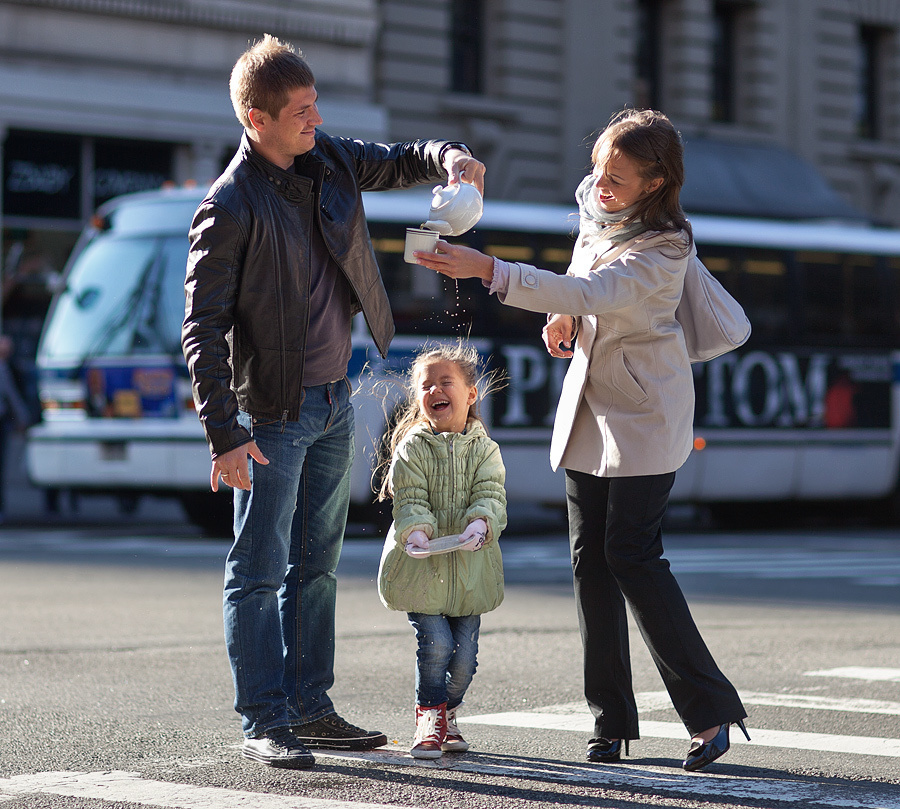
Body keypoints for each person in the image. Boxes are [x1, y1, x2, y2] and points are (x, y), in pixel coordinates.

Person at [412, 109, 749, 772]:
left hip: (645, 415)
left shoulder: (666, 247)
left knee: (631, 554)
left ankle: (710, 709)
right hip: (593, 412)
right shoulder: (598, 214)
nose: (601, 183)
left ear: (655, 184)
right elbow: (582, 281)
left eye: (618, 177)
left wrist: (490, 268)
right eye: (598, 167)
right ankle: (611, 720)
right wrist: (564, 314)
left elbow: (599, 288)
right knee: (588, 562)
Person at [181, 34, 485, 770]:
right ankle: (265, 717)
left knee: (315, 565)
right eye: (301, 112)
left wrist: (452, 157)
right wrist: (224, 432)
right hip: (272, 414)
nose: (315, 121)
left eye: (317, 106)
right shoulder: (229, 204)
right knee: (257, 569)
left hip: (333, 400)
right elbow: (202, 327)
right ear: (257, 119)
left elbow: (407, 156)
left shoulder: (331, 161)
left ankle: (310, 707)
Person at [375, 343, 506, 759]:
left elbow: (492, 494)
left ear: (471, 394)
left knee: (464, 656)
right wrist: (413, 531)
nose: (434, 391)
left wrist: (481, 522)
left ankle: (447, 711)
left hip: (470, 569)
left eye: (445, 382)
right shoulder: (412, 446)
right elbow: (409, 498)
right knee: (434, 645)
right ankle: (428, 718)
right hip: (423, 570)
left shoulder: (486, 449)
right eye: (425, 385)